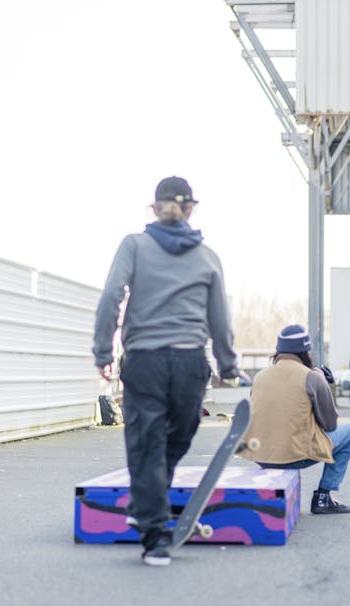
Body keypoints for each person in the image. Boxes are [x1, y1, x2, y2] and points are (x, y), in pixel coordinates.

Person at [92, 176, 238, 566]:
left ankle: (153, 530)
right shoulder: (208, 256)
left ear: (154, 208)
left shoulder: (134, 245)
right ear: (190, 209)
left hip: (145, 359)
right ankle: (149, 506)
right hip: (191, 362)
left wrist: (102, 349)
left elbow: (111, 295)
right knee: (178, 435)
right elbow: (219, 317)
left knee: (147, 441)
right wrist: (228, 363)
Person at [239, 324, 350, 515]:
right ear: (305, 351)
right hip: (294, 456)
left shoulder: (260, 376)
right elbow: (330, 424)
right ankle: (323, 497)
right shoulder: (312, 377)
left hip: (260, 455)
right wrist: (324, 385)